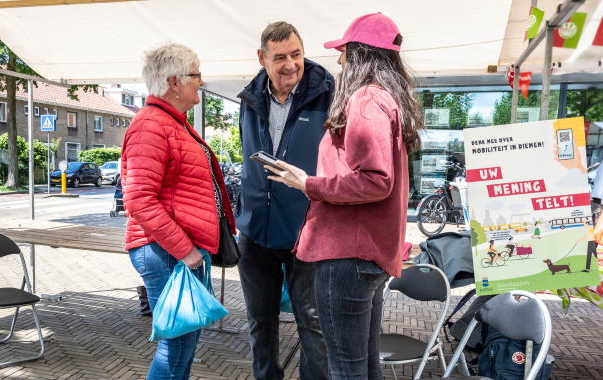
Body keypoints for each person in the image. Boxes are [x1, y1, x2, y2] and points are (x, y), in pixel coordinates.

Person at [266, 13, 424, 379]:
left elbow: (374, 180)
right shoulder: (387, 100)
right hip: (365, 255)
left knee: (345, 369)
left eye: (344, 52)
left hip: (346, 255)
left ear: (360, 55)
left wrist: (309, 184)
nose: (338, 61)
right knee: (364, 366)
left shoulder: (366, 99)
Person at [121, 42, 235, 380]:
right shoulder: (152, 126)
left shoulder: (173, 123)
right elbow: (140, 199)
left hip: (178, 252)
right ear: (175, 82)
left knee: (185, 344)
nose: (201, 82)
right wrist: (185, 250)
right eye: (197, 75)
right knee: (175, 346)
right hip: (166, 252)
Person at [235, 21, 333, 380]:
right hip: (255, 232)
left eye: (296, 54)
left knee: (313, 324)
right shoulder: (249, 98)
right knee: (259, 321)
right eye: (280, 58)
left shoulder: (330, 94)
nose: (290, 64)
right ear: (262, 59)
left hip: (305, 230)